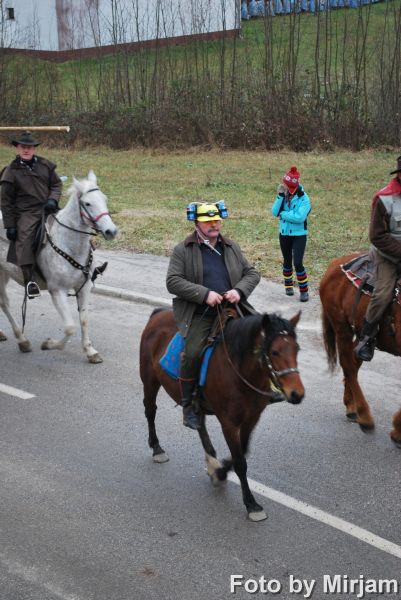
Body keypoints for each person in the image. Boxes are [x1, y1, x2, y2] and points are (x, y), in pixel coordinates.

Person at [166, 201, 261, 430]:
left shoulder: (231, 247)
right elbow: (173, 281)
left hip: (232, 309)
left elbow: (252, 273)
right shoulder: (183, 250)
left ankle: (268, 388)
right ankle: (189, 405)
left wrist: (239, 291)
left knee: (264, 339)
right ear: (196, 223)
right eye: (208, 221)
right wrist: (204, 293)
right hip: (202, 313)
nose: (214, 225)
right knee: (192, 353)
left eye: (217, 220)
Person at [0, 131, 62, 298]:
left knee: (75, 224)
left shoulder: (45, 165)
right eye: (23, 147)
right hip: (26, 213)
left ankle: (88, 267)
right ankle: (30, 281)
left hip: (49, 208)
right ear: (18, 148)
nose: (26, 150)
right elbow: (5, 202)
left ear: (34, 148)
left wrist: (53, 200)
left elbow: (56, 184)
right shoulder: (11, 171)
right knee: (25, 239)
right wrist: (10, 225)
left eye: (29, 147)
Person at [355, 156, 401, 362]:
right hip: (387, 256)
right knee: (383, 293)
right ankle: (367, 336)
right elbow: (377, 236)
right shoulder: (384, 199)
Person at [271, 166, 311, 302]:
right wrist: (279, 197)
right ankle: (288, 285)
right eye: (286, 186)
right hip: (284, 233)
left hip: (299, 234)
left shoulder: (304, 198)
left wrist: (283, 214)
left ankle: (304, 290)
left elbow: (300, 217)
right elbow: (274, 212)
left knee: (298, 262)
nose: (287, 188)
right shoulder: (283, 195)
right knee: (287, 261)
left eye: (289, 187)